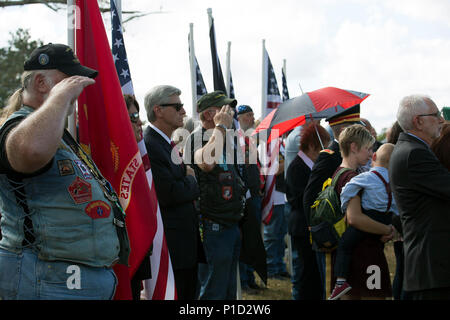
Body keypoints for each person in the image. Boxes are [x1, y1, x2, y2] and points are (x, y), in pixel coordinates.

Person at [0, 43, 129, 300]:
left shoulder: (56, 130)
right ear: (40, 83)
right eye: (70, 79)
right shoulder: (20, 125)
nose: (78, 87)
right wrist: (59, 96)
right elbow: (31, 151)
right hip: (46, 279)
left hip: (66, 280)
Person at [183, 90, 245, 300]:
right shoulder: (198, 137)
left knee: (228, 290)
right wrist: (221, 127)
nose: (230, 113)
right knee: (213, 290)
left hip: (230, 223)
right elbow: (207, 163)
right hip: (212, 225)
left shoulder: (224, 137)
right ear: (209, 114)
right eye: (224, 109)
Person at [143, 85, 202, 300]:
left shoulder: (165, 143)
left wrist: (186, 180)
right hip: (171, 246)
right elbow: (169, 193)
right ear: (158, 110)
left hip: (182, 244)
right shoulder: (150, 144)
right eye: (177, 106)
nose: (183, 112)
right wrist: (191, 180)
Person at [390, 94, 450, 300]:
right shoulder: (414, 153)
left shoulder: (413, 149)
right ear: (419, 121)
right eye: (436, 115)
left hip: (432, 267)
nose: (441, 119)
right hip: (432, 267)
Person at [302, 104, 363, 298]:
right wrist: (320, 230)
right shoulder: (329, 157)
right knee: (333, 291)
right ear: (344, 130)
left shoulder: (353, 154)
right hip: (332, 234)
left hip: (349, 231)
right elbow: (310, 196)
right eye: (356, 126)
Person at [327, 124, 393, 300]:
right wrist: (387, 230)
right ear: (354, 147)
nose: (371, 153)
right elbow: (354, 218)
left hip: (353, 254)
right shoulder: (352, 178)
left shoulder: (339, 173)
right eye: (368, 148)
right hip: (364, 254)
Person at [286, 122, 330, 300]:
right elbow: (300, 199)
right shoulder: (297, 167)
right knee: (305, 275)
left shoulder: (311, 165)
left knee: (314, 276)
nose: (326, 150)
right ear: (312, 146)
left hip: (310, 227)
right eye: (323, 147)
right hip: (302, 228)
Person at [236, 105, 263, 292]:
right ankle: (244, 281)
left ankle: (250, 277)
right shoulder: (236, 140)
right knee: (245, 239)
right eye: (247, 115)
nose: (252, 118)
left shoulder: (249, 139)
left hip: (254, 194)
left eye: (253, 114)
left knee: (253, 238)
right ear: (238, 117)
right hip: (244, 196)